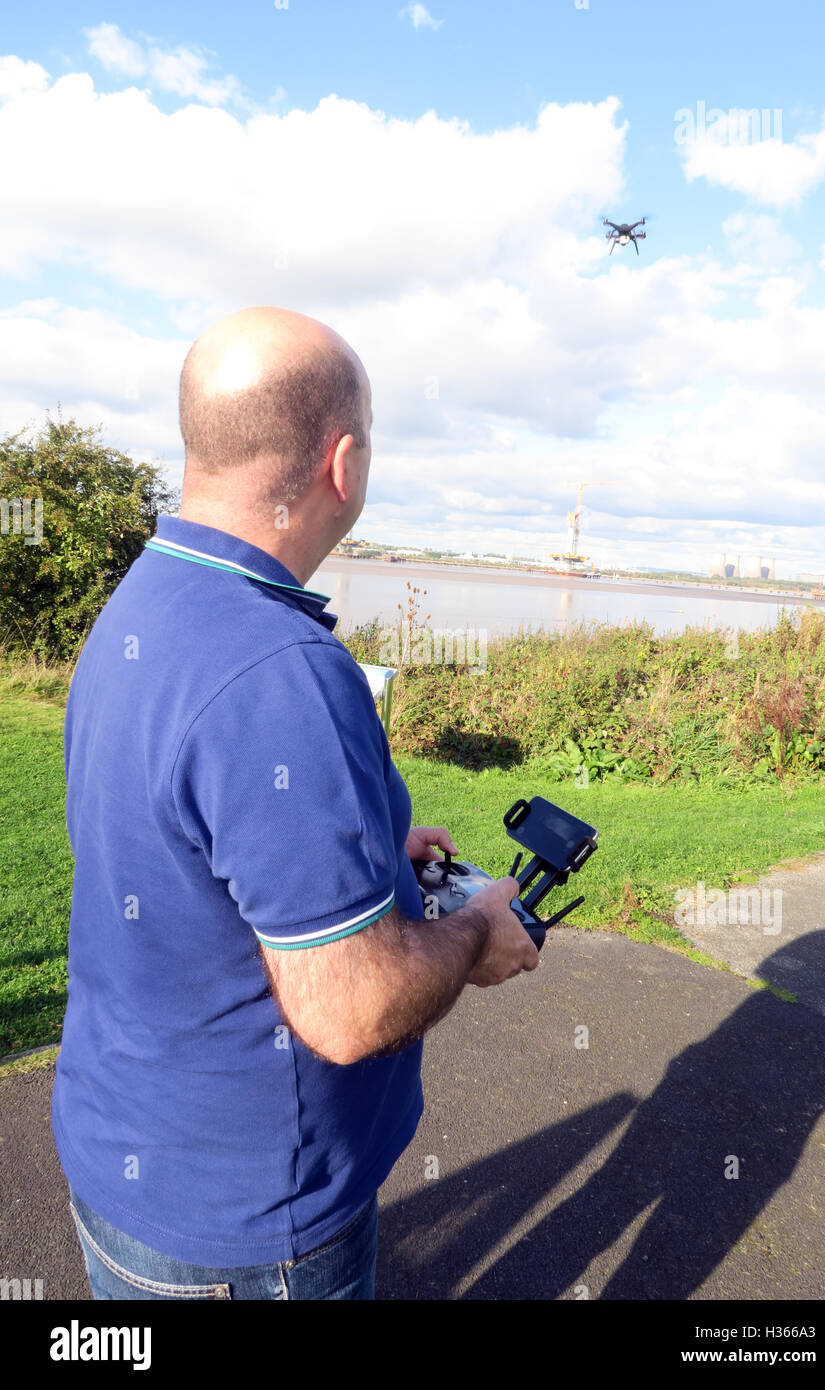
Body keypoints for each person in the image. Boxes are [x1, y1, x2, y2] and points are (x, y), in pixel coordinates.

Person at [53, 306, 538, 1301]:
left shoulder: (146, 601)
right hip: (247, 1231)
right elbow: (353, 1012)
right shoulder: (281, 668)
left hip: (123, 1160)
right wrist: (475, 931)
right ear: (343, 462)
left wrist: (363, 854)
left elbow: (185, 834)